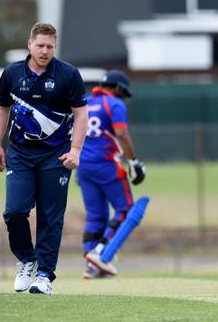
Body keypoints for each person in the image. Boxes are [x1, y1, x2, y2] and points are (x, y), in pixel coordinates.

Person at [0, 22, 88, 295]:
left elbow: (81, 114)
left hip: (55, 157)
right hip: (20, 155)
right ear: (30, 44)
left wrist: (76, 150)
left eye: (50, 46)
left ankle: (44, 275)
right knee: (14, 212)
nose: (45, 51)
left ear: (55, 47)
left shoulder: (68, 75)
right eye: (40, 45)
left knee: (50, 217)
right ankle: (27, 259)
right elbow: (1, 109)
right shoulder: (11, 74)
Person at [76, 70, 148, 279]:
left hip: (83, 165)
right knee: (126, 210)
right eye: (123, 93)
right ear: (117, 89)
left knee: (95, 215)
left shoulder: (86, 102)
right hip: (106, 165)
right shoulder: (114, 104)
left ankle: (91, 265)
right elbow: (121, 133)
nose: (123, 97)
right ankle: (100, 254)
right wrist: (133, 162)